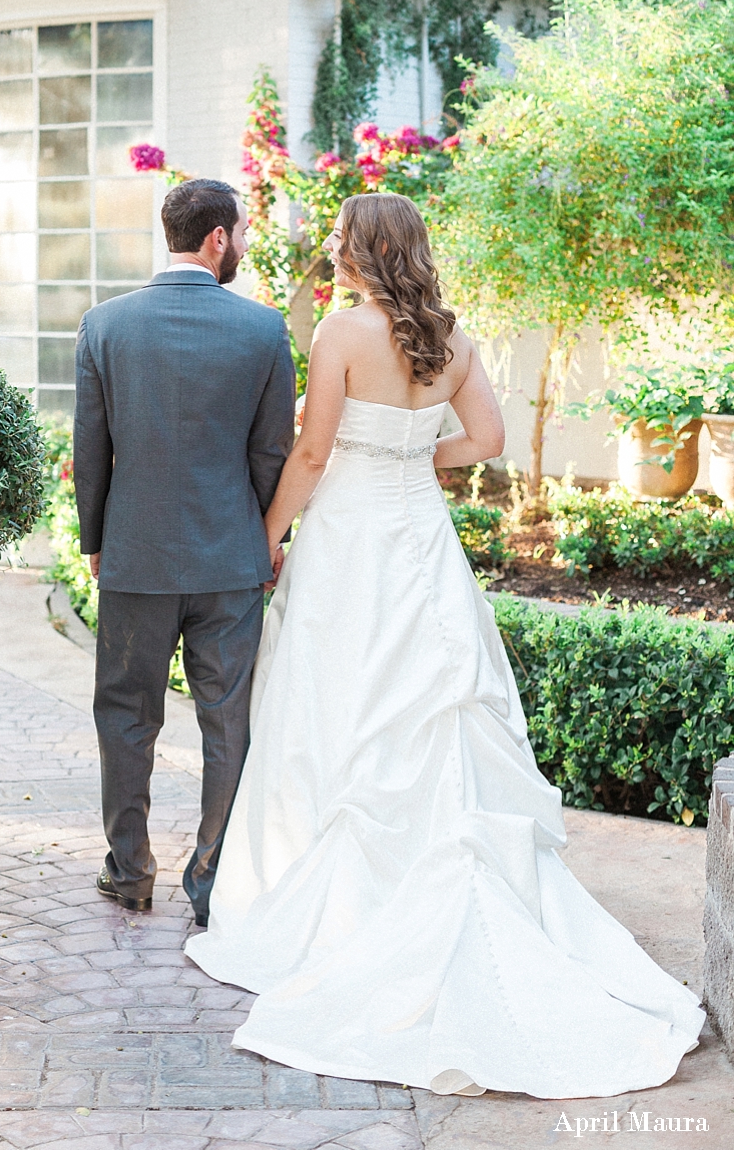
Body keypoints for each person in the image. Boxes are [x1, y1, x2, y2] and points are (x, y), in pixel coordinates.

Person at [186, 191, 703, 1098]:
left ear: (363, 254)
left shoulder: (342, 335)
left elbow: (309, 458)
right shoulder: (449, 337)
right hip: (417, 540)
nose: (333, 250)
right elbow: (489, 439)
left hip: (350, 539)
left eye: (341, 241)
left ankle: (326, 901)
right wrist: (414, 456)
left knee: (333, 701)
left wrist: (266, 536)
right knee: (433, 697)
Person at [73, 178, 296, 926]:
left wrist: (97, 543)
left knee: (125, 716)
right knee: (227, 722)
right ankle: (212, 878)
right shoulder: (264, 330)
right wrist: (268, 540)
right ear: (216, 240)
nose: (243, 246)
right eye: (242, 233)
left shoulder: (104, 326)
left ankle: (130, 871)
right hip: (231, 562)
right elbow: (272, 455)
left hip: (136, 558)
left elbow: (90, 450)